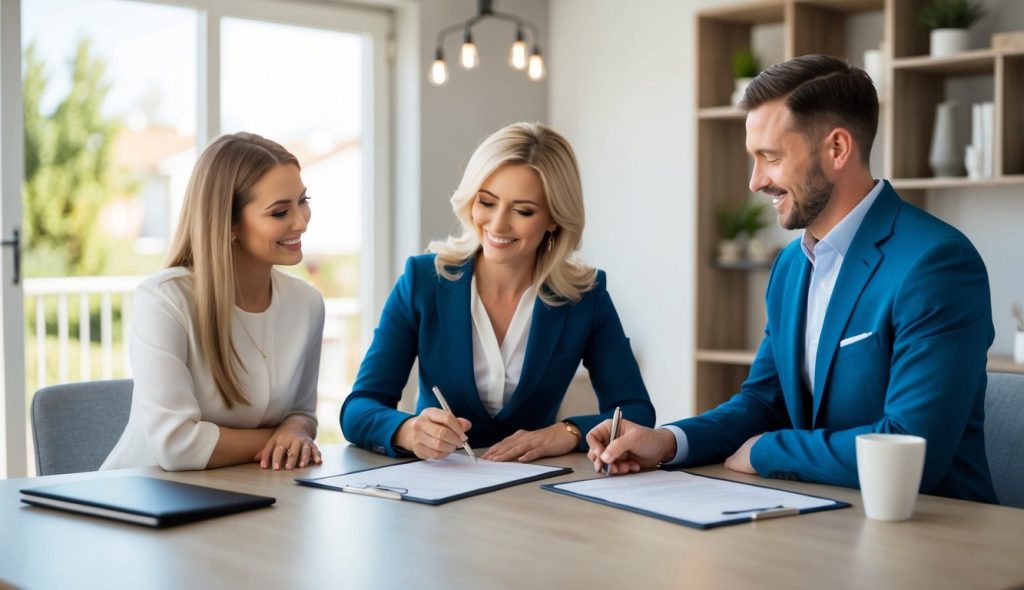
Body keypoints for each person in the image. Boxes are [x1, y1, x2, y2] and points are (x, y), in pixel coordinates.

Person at [588, 55, 997, 502]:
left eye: (770, 157)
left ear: (837, 149)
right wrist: (666, 442)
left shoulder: (936, 264)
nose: (755, 181)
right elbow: (763, 403)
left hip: (939, 535)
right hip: (825, 517)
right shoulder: (789, 267)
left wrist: (768, 450)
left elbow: (912, 450)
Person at [341, 122, 655, 462]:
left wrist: (567, 433)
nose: (498, 224)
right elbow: (359, 408)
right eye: (487, 202)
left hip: (533, 493)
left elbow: (636, 412)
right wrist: (408, 430)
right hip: (437, 489)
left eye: (523, 211)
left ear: (554, 219)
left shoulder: (585, 298)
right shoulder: (422, 281)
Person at [102, 132, 326, 472]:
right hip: (143, 500)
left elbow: (301, 413)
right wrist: (278, 439)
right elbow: (177, 445)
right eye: (280, 212)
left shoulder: (306, 303)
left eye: (303, 201)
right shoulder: (164, 301)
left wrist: (295, 429)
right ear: (230, 222)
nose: (301, 221)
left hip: (246, 492)